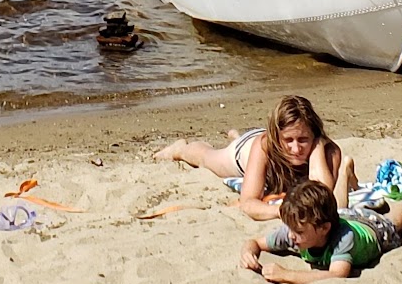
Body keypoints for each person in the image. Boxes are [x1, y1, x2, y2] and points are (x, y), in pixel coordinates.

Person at [153, 94, 357, 222]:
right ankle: (180, 149)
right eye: (290, 140)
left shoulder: (328, 151)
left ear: (315, 134)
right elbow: (248, 202)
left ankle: (236, 134)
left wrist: (318, 146)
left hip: (272, 139)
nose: (296, 148)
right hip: (246, 151)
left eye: (303, 140)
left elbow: (321, 192)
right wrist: (282, 212)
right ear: (278, 138)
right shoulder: (266, 146)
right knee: (208, 159)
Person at [239, 180, 402, 284]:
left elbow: (337, 274)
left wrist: (286, 275)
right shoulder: (296, 231)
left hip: (372, 228)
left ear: (324, 229)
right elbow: (254, 242)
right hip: (340, 217)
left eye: (299, 231)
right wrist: (248, 253)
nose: (291, 236)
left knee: (395, 222)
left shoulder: (343, 238)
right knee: (338, 209)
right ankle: (344, 173)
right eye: (291, 229)